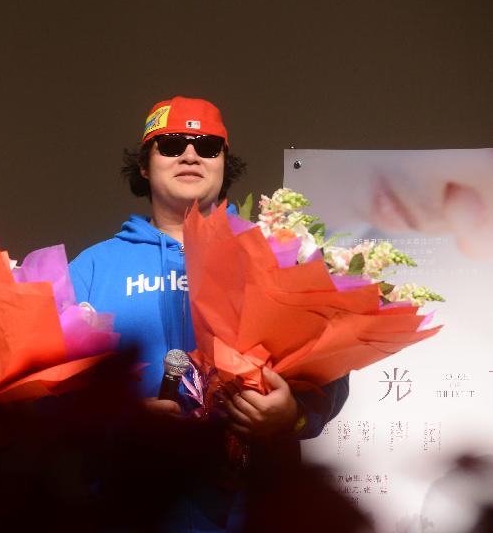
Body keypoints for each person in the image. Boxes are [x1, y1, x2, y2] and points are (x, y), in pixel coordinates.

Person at [69, 96, 349, 532]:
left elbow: (330, 370)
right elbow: (49, 399)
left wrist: (290, 412)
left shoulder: (274, 254)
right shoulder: (90, 269)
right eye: (172, 143)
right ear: (144, 165)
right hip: (128, 510)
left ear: (224, 163)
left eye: (207, 145)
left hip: (250, 513)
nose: (190, 155)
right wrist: (118, 421)